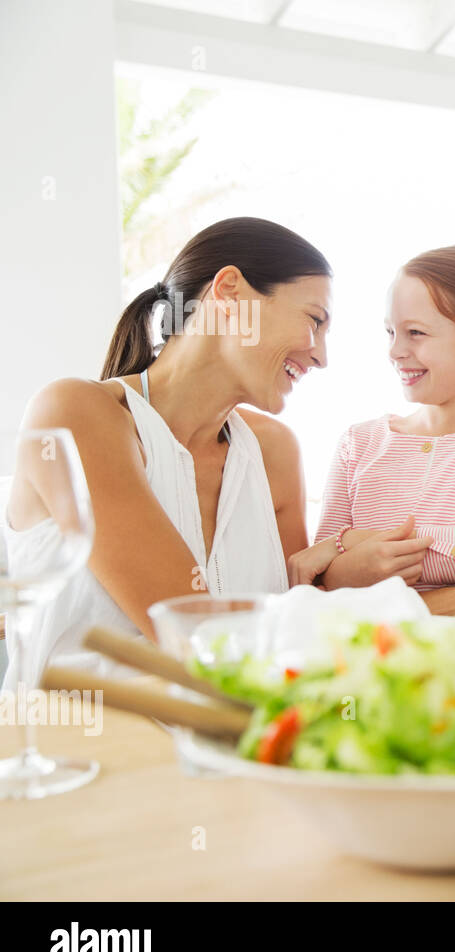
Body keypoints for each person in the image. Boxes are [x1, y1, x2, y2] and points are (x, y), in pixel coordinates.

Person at [2, 217, 329, 675]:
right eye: (315, 320)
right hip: (82, 743)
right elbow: (199, 638)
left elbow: (295, 612)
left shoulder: (274, 451)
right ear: (230, 292)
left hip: (226, 746)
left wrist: (346, 583)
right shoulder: (76, 413)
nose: (321, 355)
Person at [288, 246, 455, 624]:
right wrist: (340, 565)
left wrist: (348, 546)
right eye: (391, 332)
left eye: (416, 333)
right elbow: (317, 582)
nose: (396, 350)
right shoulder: (358, 443)